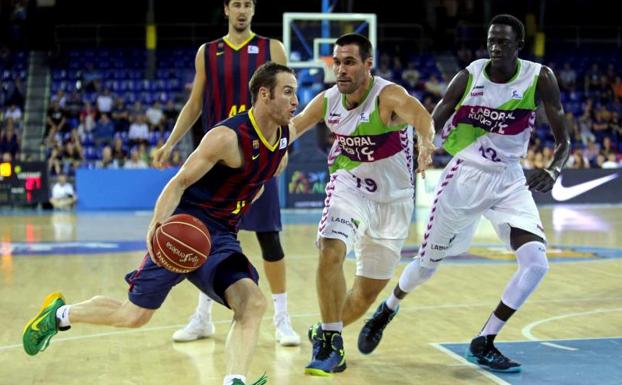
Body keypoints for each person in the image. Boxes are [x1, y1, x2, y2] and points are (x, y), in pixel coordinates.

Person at [23, 62, 304, 385]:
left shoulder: (282, 140)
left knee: (252, 302)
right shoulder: (226, 136)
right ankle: (59, 315)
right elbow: (179, 182)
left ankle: (234, 380)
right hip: (186, 228)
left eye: (296, 92)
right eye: (288, 91)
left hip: (222, 238)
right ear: (264, 95)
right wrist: (156, 228)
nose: (295, 100)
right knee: (134, 316)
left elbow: (263, 174)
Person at [357, 14, 571, 373]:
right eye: (491, 40)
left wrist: (553, 169)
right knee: (426, 267)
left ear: (519, 46)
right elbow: (432, 121)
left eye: (503, 41)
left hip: (509, 179)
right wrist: (423, 150)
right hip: (465, 178)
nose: (494, 46)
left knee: (536, 264)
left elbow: (564, 139)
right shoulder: (469, 76)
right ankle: (388, 308)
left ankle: (485, 339)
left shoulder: (539, 78)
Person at [151, 0, 299, 346]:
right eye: (237, 4)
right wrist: (171, 142)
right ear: (226, 9)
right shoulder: (208, 52)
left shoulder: (271, 47)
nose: (242, 10)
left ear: (254, 9)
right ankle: (202, 318)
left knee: (269, 238)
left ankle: (282, 319)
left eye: (248, 3)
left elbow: (286, 97)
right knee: (202, 237)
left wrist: (285, 145)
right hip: (218, 160)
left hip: (259, 155)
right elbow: (195, 103)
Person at [288, 33, 436, 376]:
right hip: (349, 186)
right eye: (337, 62)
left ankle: (324, 329)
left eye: (349, 62)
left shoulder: (388, 96)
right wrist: (270, 151)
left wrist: (426, 142)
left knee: (363, 297)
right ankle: (332, 344)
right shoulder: (327, 101)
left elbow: (420, 114)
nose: (340, 69)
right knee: (330, 248)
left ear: (368, 65)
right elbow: (292, 129)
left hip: (393, 203)